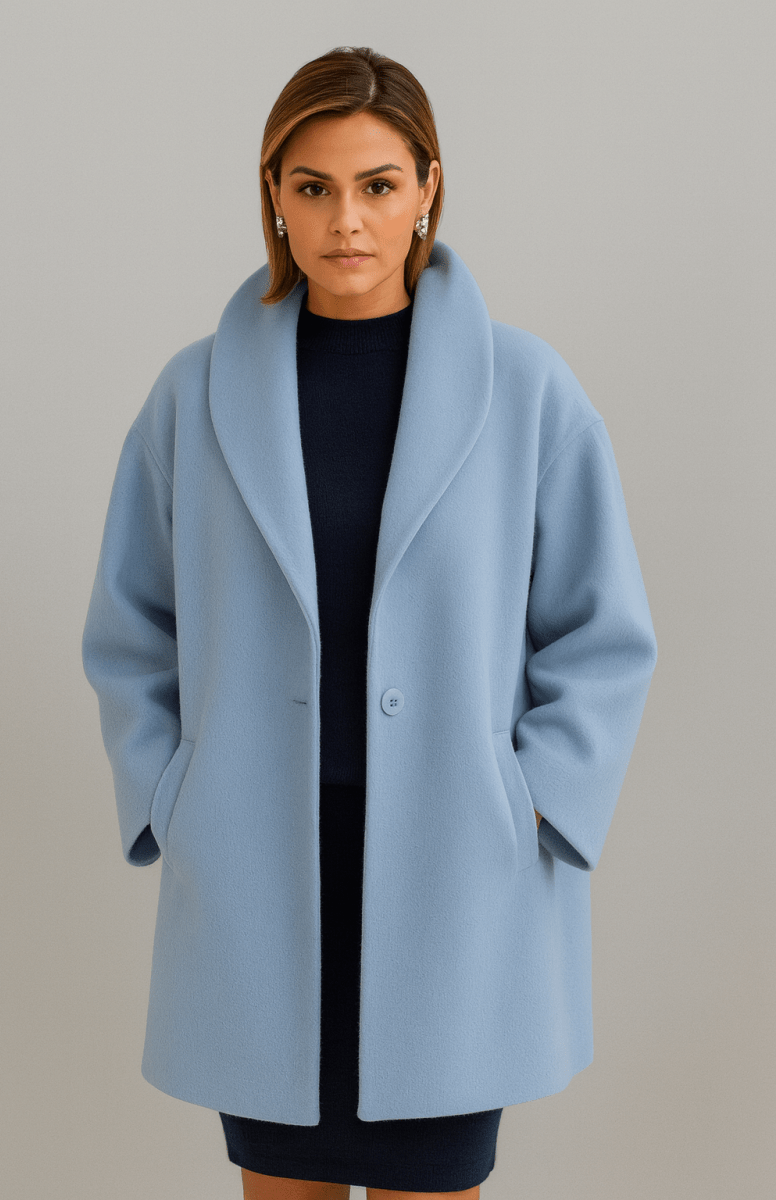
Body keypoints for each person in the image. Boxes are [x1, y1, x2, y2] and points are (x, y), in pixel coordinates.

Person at [81, 45, 658, 1200]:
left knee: (431, 1179)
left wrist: (533, 800)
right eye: (313, 186)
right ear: (273, 195)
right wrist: (171, 796)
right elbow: (131, 628)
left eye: (378, 184)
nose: (345, 219)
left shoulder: (526, 390)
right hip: (257, 872)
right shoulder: (193, 395)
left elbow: (601, 633)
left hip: (455, 872)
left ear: (427, 187)